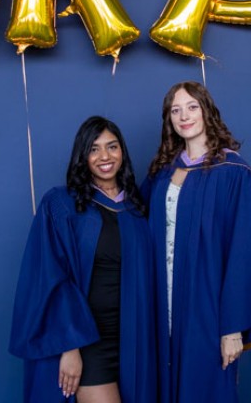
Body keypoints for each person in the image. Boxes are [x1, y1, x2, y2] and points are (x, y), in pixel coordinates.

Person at [143, 81, 251, 403]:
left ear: (207, 111)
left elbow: (245, 252)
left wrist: (232, 328)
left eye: (192, 107)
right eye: (175, 110)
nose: (184, 116)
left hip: (205, 307)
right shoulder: (161, 174)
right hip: (159, 304)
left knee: (203, 388)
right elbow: (136, 232)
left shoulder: (233, 172)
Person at [10, 116, 156, 403]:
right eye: (94, 149)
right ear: (82, 156)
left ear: (122, 152)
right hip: (88, 340)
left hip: (133, 338)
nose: (105, 156)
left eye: (112, 147)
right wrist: (70, 346)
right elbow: (53, 277)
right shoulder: (63, 205)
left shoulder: (137, 208)